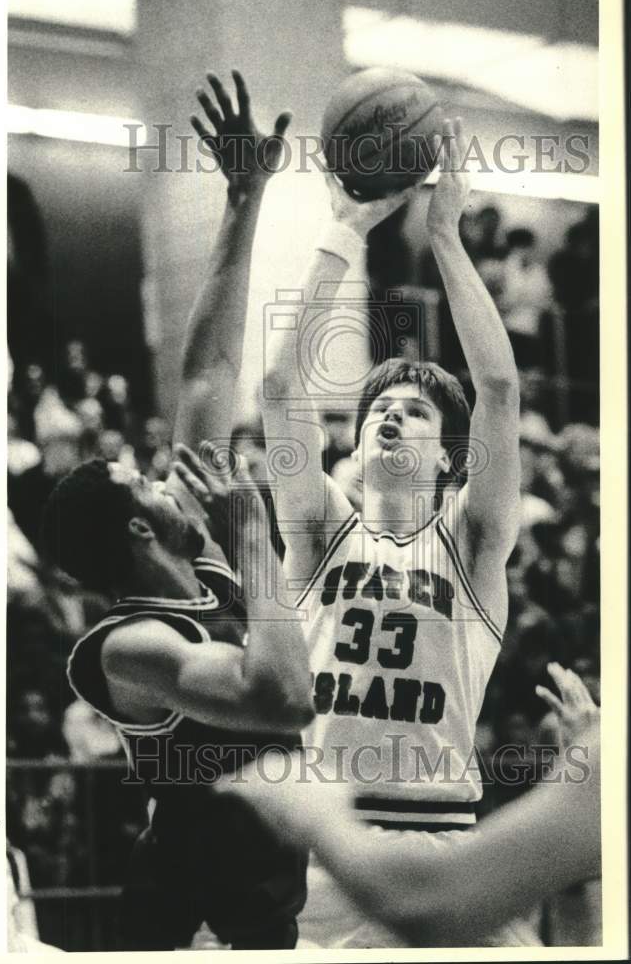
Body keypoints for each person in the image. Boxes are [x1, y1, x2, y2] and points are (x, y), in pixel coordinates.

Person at [43, 71, 313, 950]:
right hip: (194, 925)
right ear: (137, 528)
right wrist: (255, 544)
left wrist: (245, 196)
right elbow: (282, 700)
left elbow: (206, 375)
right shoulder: (130, 647)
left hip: (262, 904)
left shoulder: (197, 559)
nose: (170, 481)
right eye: (149, 483)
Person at [261, 118, 526, 946]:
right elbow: (278, 389)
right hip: (325, 854)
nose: (389, 414)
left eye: (413, 411)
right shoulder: (318, 534)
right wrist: (344, 230)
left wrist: (443, 234)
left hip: (441, 843)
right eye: (379, 405)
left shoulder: (471, 544)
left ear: (448, 457)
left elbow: (499, 390)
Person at [215, 663, 600, 947]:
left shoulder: (605, 751)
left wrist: (316, 813)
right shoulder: (603, 752)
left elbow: (428, 904)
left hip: (379, 851)